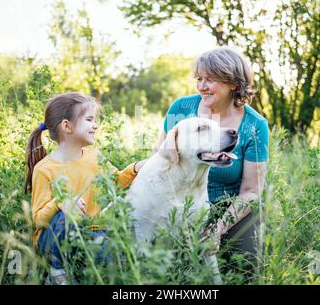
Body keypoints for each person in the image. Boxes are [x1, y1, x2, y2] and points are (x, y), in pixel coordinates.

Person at [157, 47, 269, 275]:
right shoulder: (182, 109)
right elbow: (161, 159)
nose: (201, 86)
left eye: (210, 80)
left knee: (243, 272)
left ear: (234, 84)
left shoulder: (255, 125)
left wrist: (218, 229)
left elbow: (252, 191)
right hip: (181, 206)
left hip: (228, 209)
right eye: (199, 79)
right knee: (174, 274)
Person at [24, 91, 145, 285]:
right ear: (67, 126)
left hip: (91, 234)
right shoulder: (44, 169)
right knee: (65, 215)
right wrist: (59, 203)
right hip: (52, 242)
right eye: (89, 119)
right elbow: (38, 219)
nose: (95, 125)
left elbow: (114, 182)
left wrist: (136, 167)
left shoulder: (94, 157)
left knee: (120, 260)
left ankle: (80, 271)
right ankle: (56, 273)